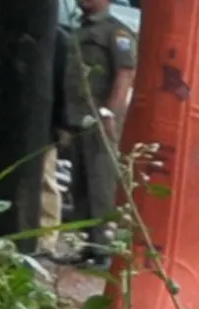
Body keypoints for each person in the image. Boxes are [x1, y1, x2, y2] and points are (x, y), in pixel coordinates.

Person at [66, 0, 137, 263]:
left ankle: (105, 250)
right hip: (78, 119)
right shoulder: (79, 30)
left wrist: (110, 113)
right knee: (80, 184)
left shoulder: (116, 33)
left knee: (101, 184)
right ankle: (88, 246)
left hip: (100, 120)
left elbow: (125, 74)